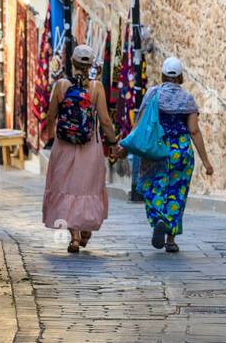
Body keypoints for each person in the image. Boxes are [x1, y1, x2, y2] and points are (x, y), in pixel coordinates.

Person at [42, 43, 120, 253]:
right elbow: (104, 120)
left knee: (67, 187)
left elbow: (50, 117)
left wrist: (52, 138)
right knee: (87, 188)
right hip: (90, 147)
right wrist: (113, 143)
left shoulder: (61, 86)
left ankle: (74, 237)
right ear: (91, 64)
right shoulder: (96, 88)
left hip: (64, 146)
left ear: (72, 62)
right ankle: (85, 230)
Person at [134, 56, 213, 253]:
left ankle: (160, 218)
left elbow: (141, 125)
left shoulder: (153, 94)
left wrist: (126, 145)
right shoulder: (187, 99)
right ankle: (170, 239)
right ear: (181, 77)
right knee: (177, 193)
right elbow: (194, 131)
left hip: (157, 149)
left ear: (162, 74)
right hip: (181, 151)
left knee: (154, 187)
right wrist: (206, 161)